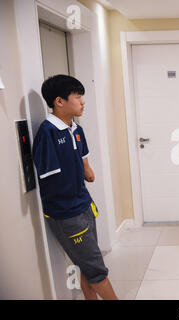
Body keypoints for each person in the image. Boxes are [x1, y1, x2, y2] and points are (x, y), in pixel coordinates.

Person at [32, 75, 118, 300]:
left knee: (85, 265)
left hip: (84, 205)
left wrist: (86, 170)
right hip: (67, 214)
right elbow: (51, 182)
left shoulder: (76, 129)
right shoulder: (48, 133)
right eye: (78, 97)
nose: (83, 101)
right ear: (59, 101)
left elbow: (85, 165)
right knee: (97, 270)